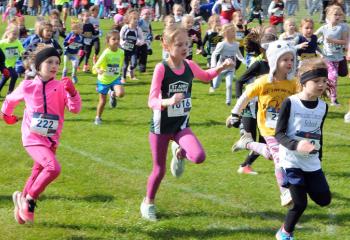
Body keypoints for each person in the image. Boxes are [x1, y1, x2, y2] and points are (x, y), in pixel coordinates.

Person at [140, 24, 234, 221]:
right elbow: (151, 101)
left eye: (187, 44)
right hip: (161, 128)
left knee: (199, 156)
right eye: (179, 44)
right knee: (159, 170)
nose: (185, 48)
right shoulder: (161, 68)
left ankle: (180, 152)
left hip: (181, 125)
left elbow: (206, 76)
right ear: (166, 46)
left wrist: (221, 67)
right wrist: (168, 101)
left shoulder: (189, 65)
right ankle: (148, 202)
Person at [0, 46, 81, 224]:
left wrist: (73, 92)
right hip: (32, 137)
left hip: (51, 139)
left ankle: (21, 201)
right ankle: (29, 200)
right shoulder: (27, 86)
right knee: (53, 168)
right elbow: (10, 100)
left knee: (37, 173)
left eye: (57, 63)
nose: (54, 66)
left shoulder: (61, 87)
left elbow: (75, 109)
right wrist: (7, 116)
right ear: (38, 65)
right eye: (49, 62)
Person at [227, 40, 298, 207]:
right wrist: (234, 114)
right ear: (274, 60)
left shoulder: (294, 83)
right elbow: (245, 96)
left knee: (275, 155)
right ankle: (284, 192)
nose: (289, 63)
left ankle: (248, 143)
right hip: (268, 128)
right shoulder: (263, 82)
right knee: (279, 159)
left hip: (286, 128)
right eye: (284, 59)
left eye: (291, 60)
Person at [275, 58, 331, 240]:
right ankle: (285, 233)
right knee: (300, 204)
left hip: (311, 161)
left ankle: (297, 184)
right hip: (291, 159)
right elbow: (279, 134)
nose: (321, 85)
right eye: (316, 81)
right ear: (304, 82)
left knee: (324, 200)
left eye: (324, 81)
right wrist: (297, 145)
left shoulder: (323, 107)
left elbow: (319, 134)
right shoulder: (290, 103)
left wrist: (318, 158)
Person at [315, 5, 347, 106]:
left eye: (339, 15)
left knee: (333, 78)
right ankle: (332, 98)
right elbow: (312, 38)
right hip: (326, 57)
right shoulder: (324, 28)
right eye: (335, 14)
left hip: (338, 57)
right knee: (333, 75)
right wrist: (319, 51)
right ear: (328, 16)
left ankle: (330, 95)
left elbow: (345, 42)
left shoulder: (342, 28)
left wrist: (332, 40)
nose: (337, 16)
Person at [92, 30, 125, 125]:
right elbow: (95, 67)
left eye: (118, 39)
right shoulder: (106, 53)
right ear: (108, 41)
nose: (116, 41)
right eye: (113, 39)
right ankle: (98, 117)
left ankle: (113, 94)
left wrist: (120, 75)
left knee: (121, 93)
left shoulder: (121, 52)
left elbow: (120, 64)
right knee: (102, 101)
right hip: (103, 80)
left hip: (115, 78)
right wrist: (98, 71)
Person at [210, 23, 245, 105]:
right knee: (216, 85)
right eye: (232, 31)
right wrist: (214, 65)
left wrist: (244, 61)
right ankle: (214, 86)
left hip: (231, 68)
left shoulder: (236, 44)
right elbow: (214, 54)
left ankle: (228, 101)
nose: (234, 33)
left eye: (234, 31)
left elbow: (239, 55)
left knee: (229, 85)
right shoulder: (222, 44)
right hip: (221, 68)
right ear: (226, 33)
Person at [120, 9, 144, 82]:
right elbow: (120, 37)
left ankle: (130, 71)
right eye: (134, 19)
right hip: (125, 48)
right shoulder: (125, 28)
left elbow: (142, 38)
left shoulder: (138, 29)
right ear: (129, 19)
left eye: (137, 19)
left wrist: (139, 42)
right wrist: (123, 43)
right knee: (125, 64)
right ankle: (123, 78)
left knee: (134, 63)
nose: (136, 20)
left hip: (134, 48)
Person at [0, 25, 24, 95]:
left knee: (5, 78)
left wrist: (23, 52)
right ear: (7, 33)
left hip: (12, 64)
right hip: (5, 65)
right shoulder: (2, 43)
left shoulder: (17, 42)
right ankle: (10, 93)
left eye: (17, 34)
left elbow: (21, 50)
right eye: (14, 34)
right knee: (15, 75)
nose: (15, 36)